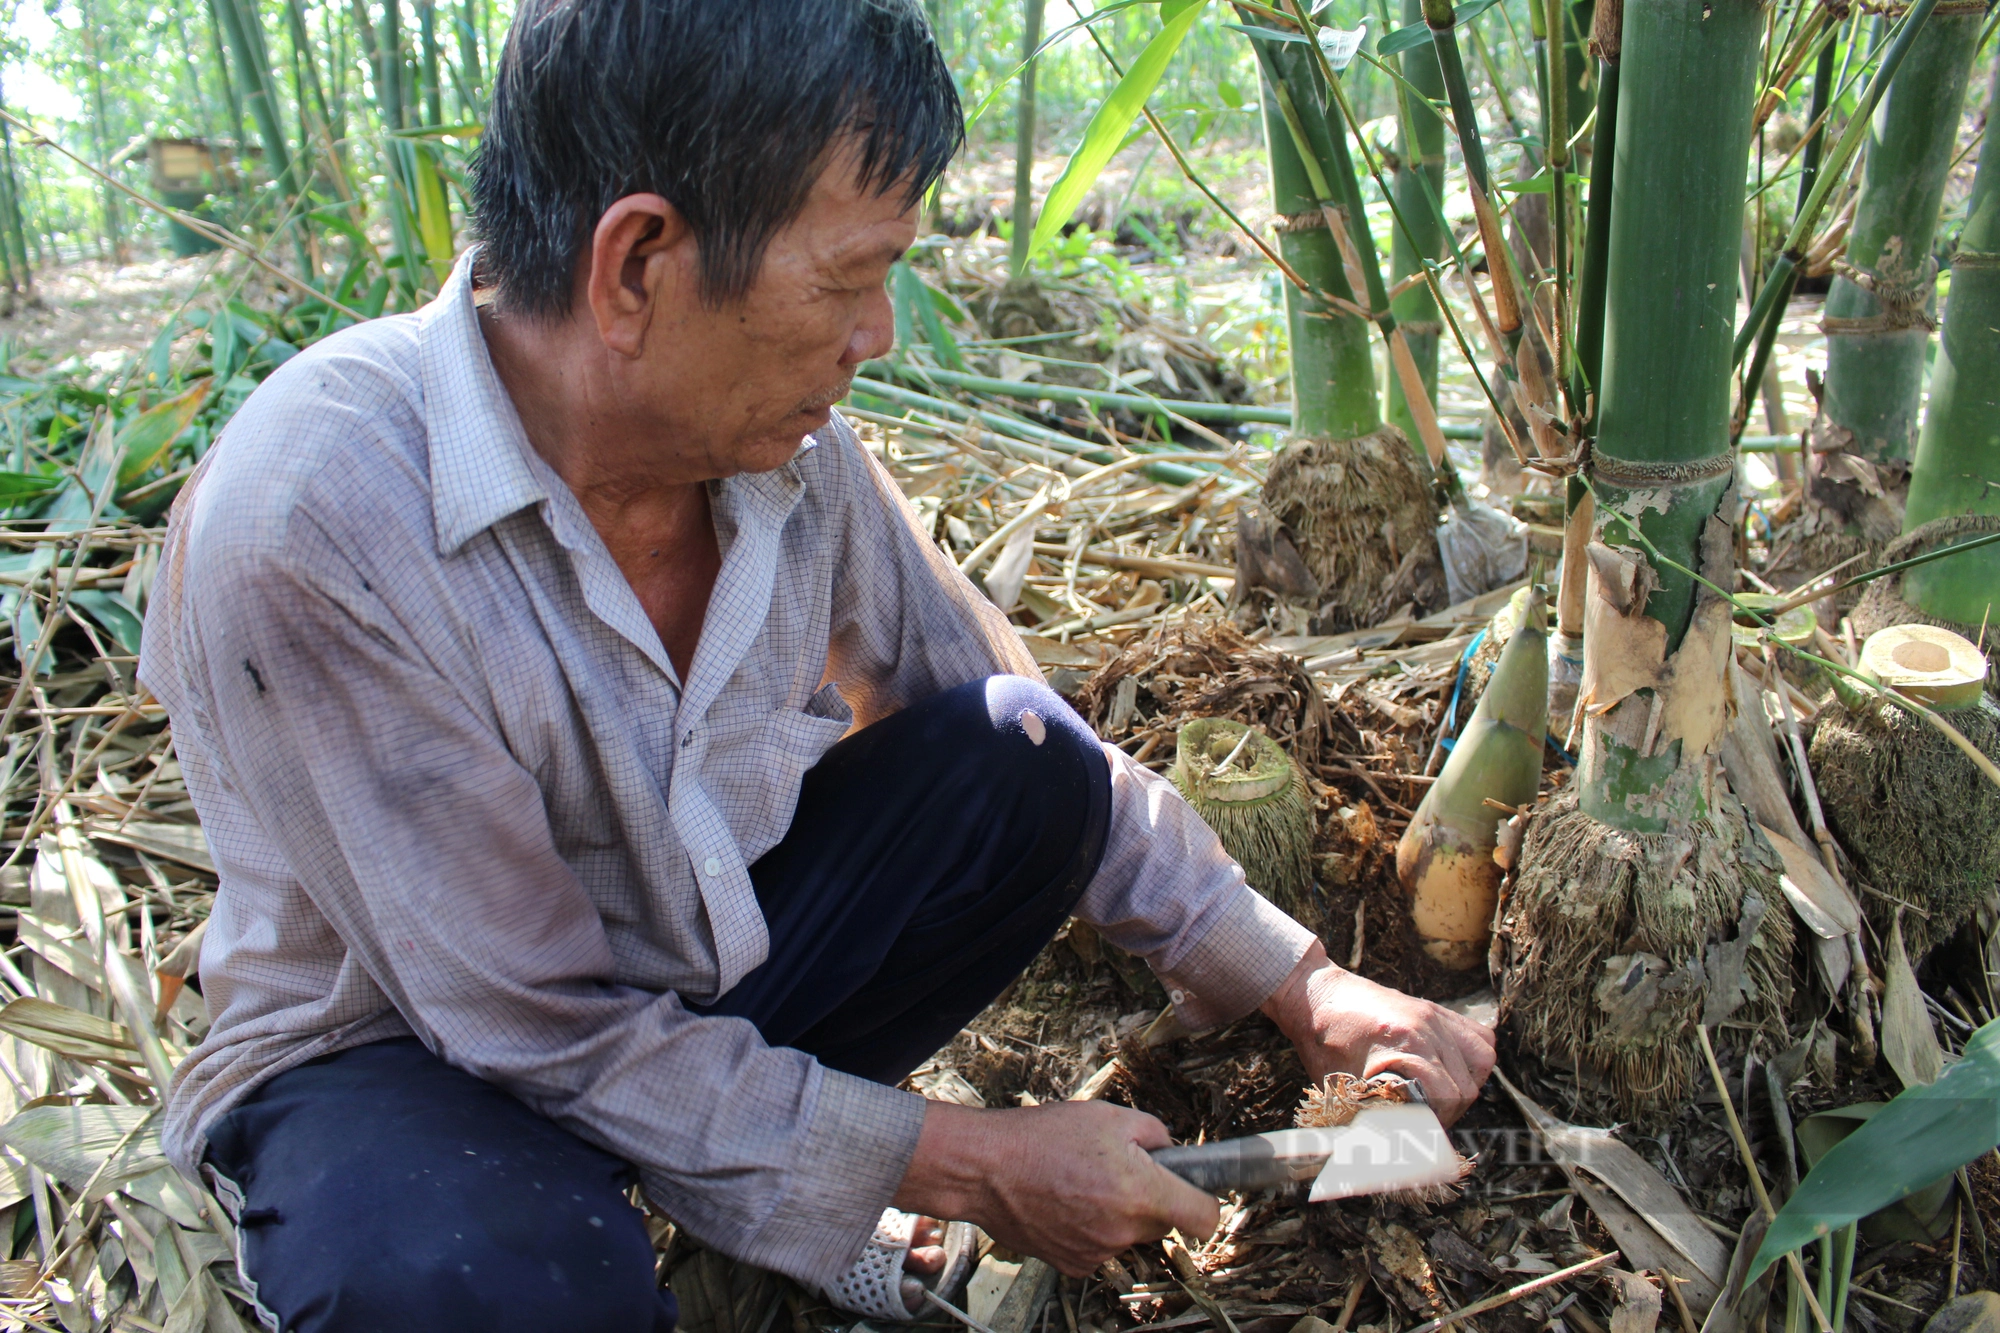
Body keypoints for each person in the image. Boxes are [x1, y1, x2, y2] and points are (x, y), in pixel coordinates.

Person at [138, 0, 1496, 1328]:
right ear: (635, 269)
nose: (882, 336)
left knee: (1017, 764)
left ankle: (774, 1182)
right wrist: (962, 1163)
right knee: (481, 1283)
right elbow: (536, 1029)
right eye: (846, 279)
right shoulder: (319, 521)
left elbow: (1030, 732)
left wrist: (1303, 982)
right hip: (418, 1059)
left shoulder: (786, 465)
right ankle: (716, 1205)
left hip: (695, 979)